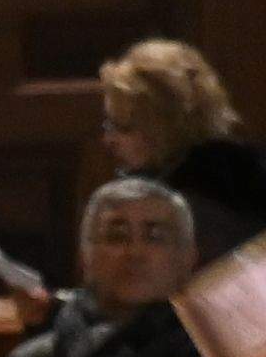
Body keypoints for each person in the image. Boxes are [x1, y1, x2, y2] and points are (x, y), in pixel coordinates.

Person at [0, 176, 256, 357]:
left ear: (190, 257)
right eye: (117, 237)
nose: (135, 253)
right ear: (84, 256)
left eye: (155, 237)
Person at [96, 36, 264, 261]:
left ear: (162, 127)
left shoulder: (193, 210)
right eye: (108, 124)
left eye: (122, 128)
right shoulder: (239, 174)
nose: (108, 139)